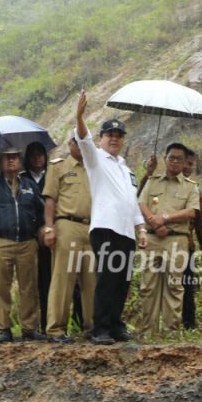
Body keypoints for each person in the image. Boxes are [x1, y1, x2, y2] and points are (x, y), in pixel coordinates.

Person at [74, 89, 147, 345]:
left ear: (123, 140)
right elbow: (84, 140)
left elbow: (133, 200)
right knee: (107, 277)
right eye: (110, 135)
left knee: (122, 280)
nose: (114, 139)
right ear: (103, 138)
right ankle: (100, 327)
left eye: (119, 135)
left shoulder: (125, 168)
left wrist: (142, 229)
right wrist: (79, 116)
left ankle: (115, 324)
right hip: (105, 227)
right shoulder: (96, 159)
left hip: (126, 231)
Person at [0, 146, 47, 342]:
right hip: (0, 242)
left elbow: (40, 210)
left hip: (27, 243)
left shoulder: (28, 185)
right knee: (0, 286)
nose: (11, 161)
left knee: (29, 286)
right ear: (0, 162)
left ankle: (30, 328)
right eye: (7, 157)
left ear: (20, 160)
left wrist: (40, 230)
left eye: (15, 157)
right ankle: (3, 329)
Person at [137, 143, 200, 336]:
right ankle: (148, 331)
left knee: (174, 286)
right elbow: (141, 202)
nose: (174, 162)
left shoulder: (191, 187)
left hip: (176, 241)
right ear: (165, 159)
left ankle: (170, 332)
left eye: (179, 159)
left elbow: (191, 212)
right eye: (171, 158)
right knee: (149, 286)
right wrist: (154, 223)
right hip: (152, 239)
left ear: (184, 163)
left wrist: (164, 219)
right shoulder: (153, 180)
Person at [41, 135, 96, 343]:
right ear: (70, 144)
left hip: (91, 227)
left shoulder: (95, 167)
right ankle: (56, 329)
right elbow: (49, 200)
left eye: (84, 143)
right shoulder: (58, 166)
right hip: (67, 224)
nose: (81, 147)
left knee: (91, 280)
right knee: (63, 278)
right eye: (76, 142)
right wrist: (48, 228)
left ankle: (92, 327)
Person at [25, 141, 52, 333]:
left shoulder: (52, 176)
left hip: (50, 235)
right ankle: (31, 326)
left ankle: (48, 324)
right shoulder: (22, 179)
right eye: (33, 154)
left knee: (49, 281)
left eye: (40, 154)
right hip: (28, 235)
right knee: (30, 283)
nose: (37, 158)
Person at [182, 148, 202, 330]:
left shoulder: (194, 188)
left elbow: (200, 220)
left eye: (191, 164)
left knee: (188, 286)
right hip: (161, 243)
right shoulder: (159, 182)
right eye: (186, 162)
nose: (188, 167)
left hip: (186, 243)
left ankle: (189, 324)